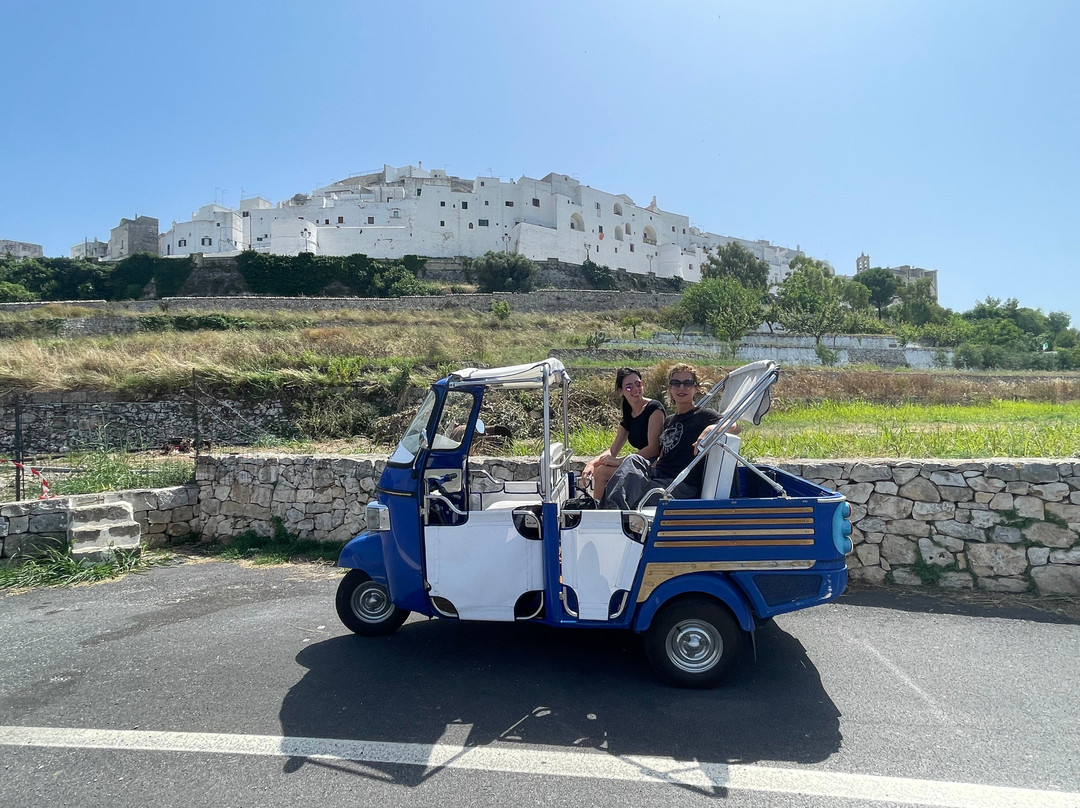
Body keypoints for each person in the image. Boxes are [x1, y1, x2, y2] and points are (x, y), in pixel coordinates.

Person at [600, 363, 735, 510]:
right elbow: (662, 454)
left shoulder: (703, 415)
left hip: (679, 485)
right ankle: (611, 513)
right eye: (675, 383)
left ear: (696, 388)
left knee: (627, 491)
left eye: (687, 383)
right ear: (670, 389)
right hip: (659, 476)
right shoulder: (670, 420)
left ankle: (612, 517)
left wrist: (709, 430)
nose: (681, 388)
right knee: (633, 460)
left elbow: (733, 426)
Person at [580, 367, 665, 502]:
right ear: (621, 391)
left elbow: (653, 448)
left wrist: (620, 461)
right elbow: (613, 450)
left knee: (602, 473)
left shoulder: (654, 408)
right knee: (598, 469)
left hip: (654, 466)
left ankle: (598, 515)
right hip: (640, 463)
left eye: (638, 384)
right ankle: (602, 509)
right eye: (629, 387)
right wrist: (591, 463)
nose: (636, 390)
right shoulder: (629, 414)